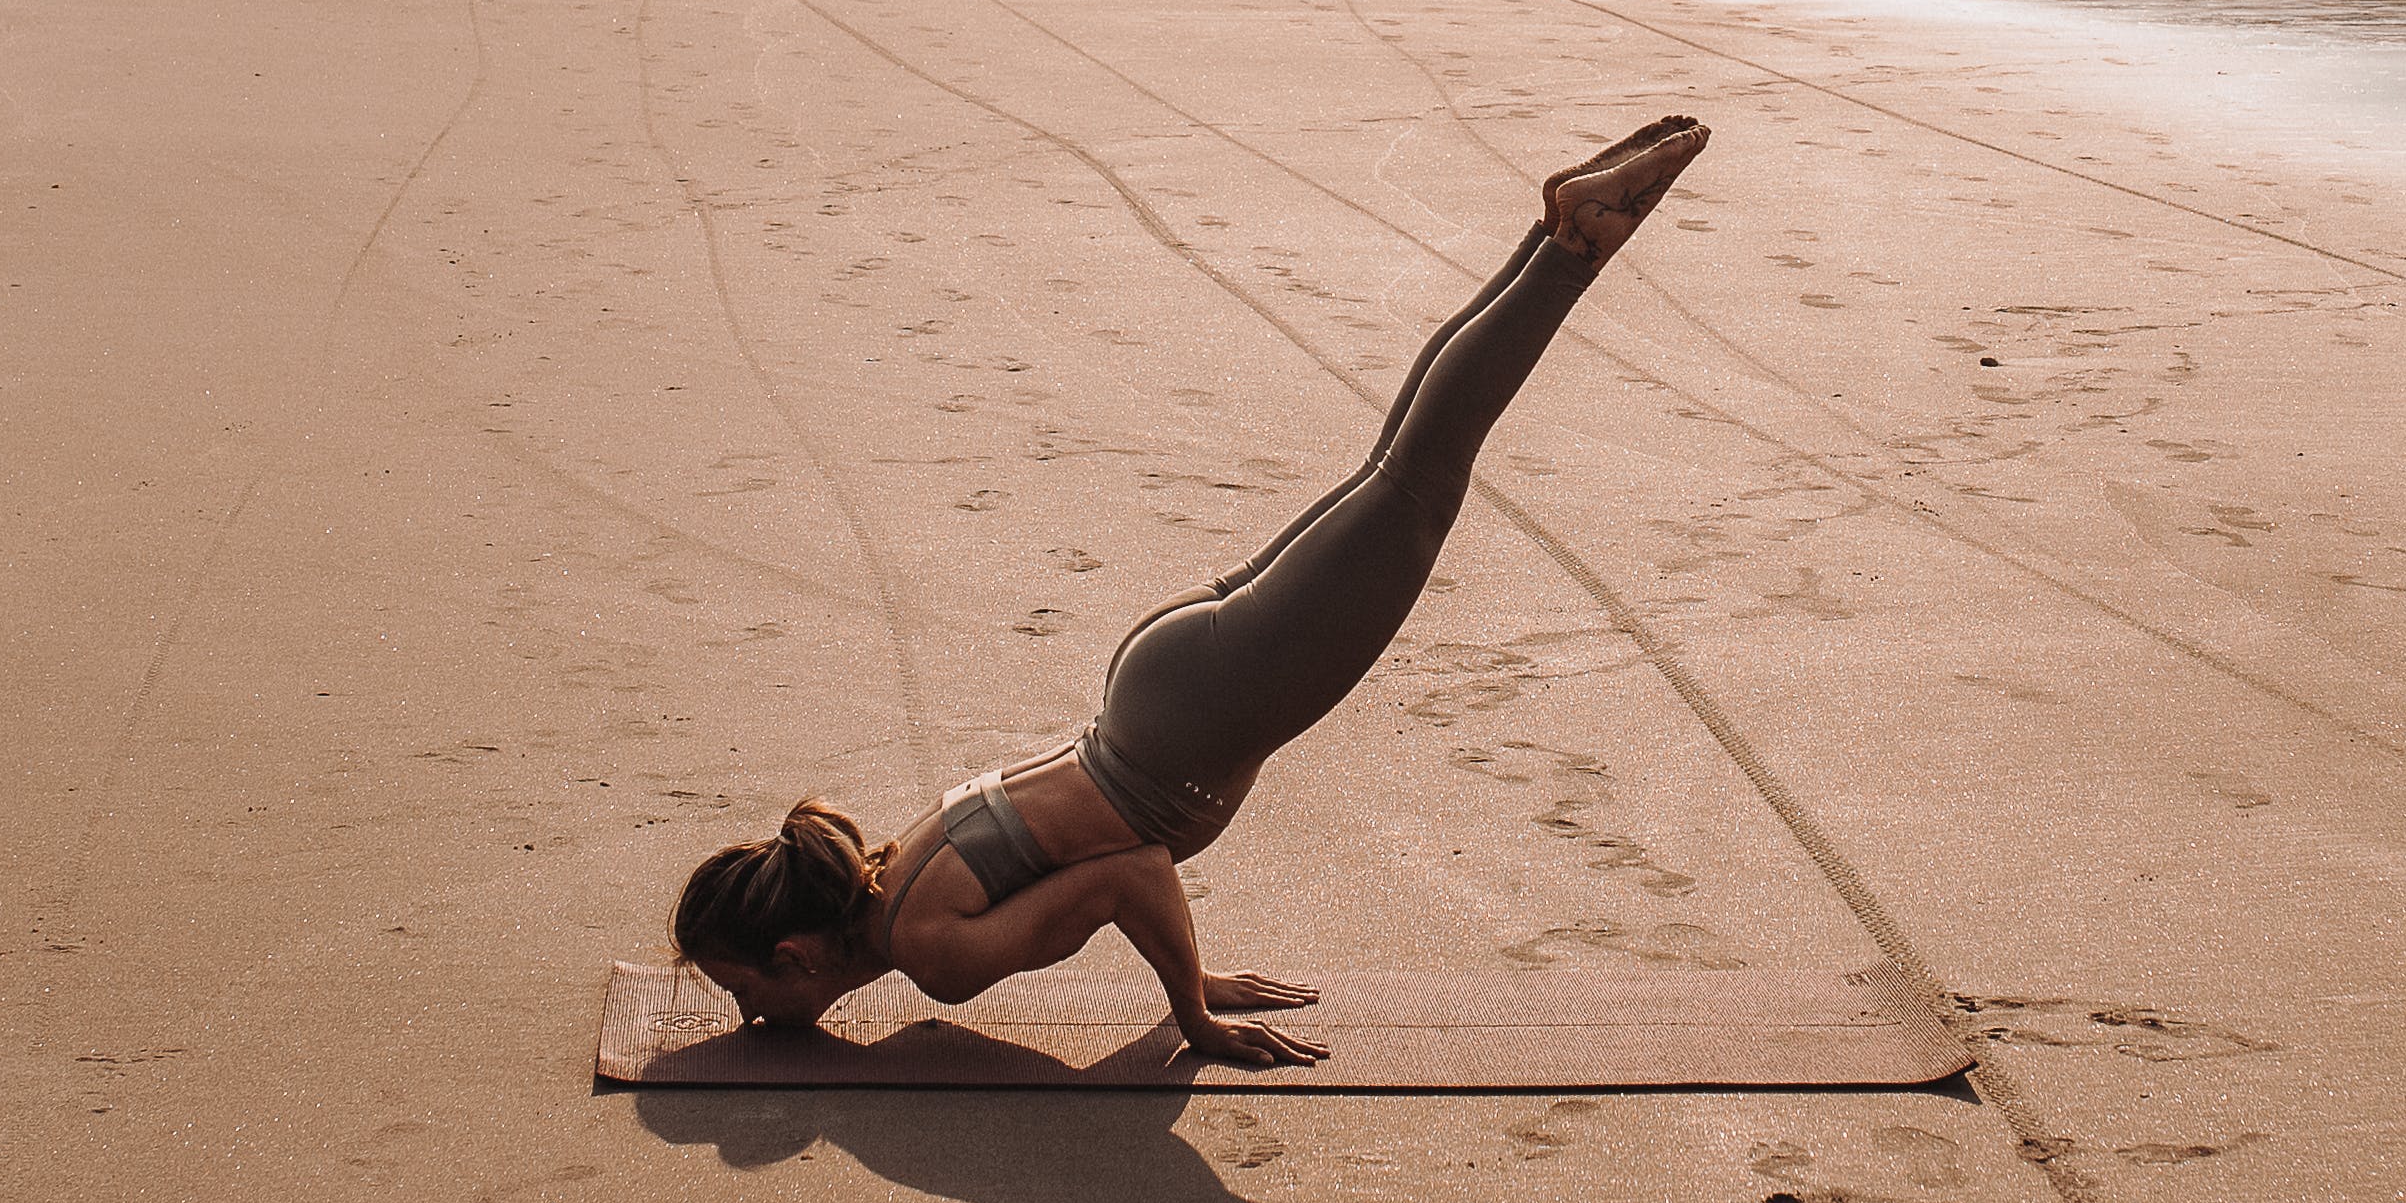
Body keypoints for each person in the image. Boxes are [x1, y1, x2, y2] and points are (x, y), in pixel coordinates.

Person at [668, 118, 1711, 1067]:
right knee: (1397, 473)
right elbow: (1111, 867)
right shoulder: (889, 879)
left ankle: (1572, 244)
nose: (747, 1016)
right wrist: (1194, 976)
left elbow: (1132, 871)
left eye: (742, 992)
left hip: (1198, 719)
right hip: (1159, 690)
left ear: (795, 954)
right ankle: (1556, 238)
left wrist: (1191, 1019)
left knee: (1416, 483)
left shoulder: (930, 949)